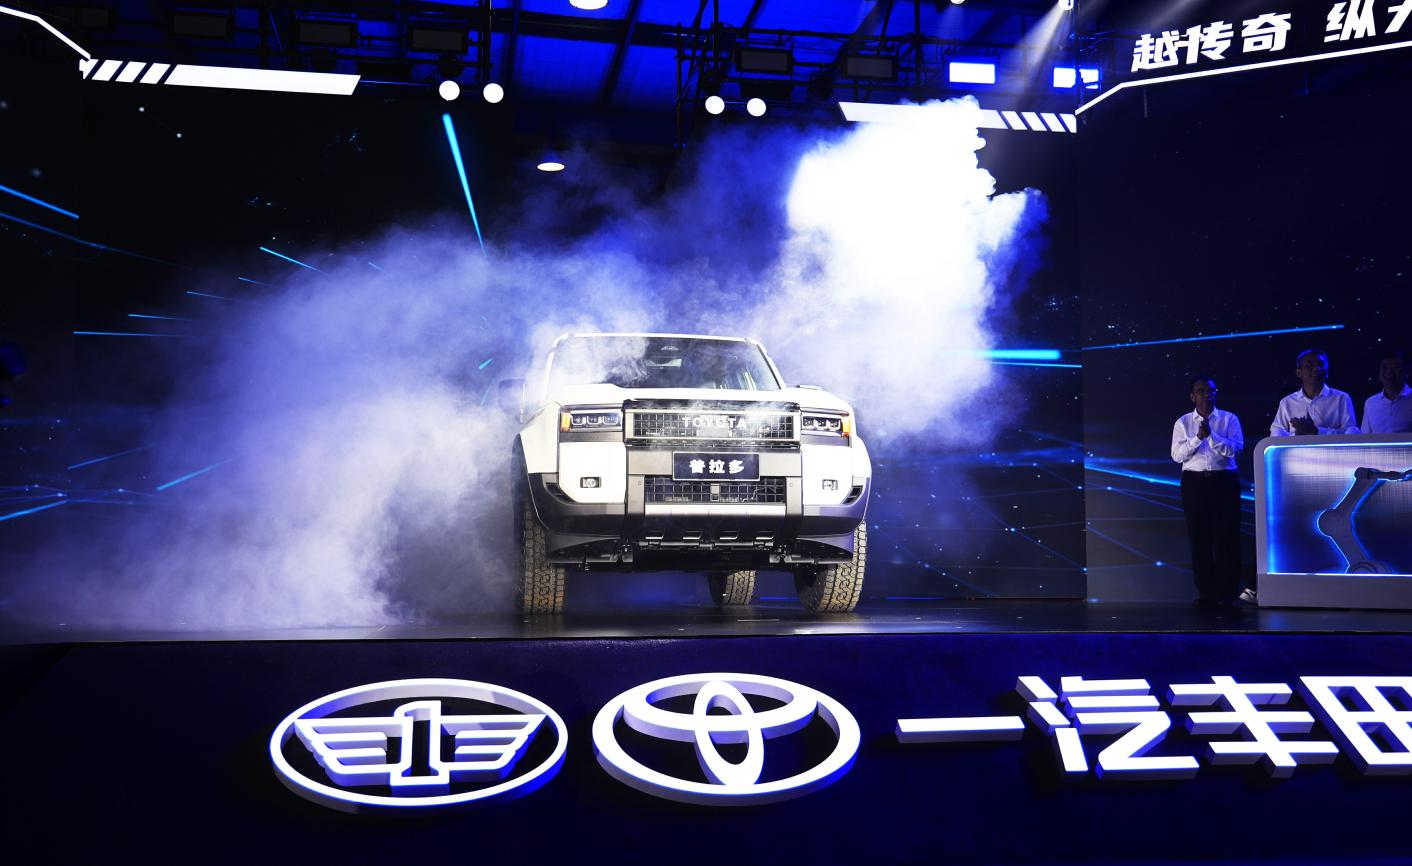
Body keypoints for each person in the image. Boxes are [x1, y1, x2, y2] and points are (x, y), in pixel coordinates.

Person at [1172, 377, 1244, 607]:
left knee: (1227, 538)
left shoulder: (1229, 419)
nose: (1206, 395)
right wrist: (1197, 438)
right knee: (1199, 539)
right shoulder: (1183, 422)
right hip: (1194, 483)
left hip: (1224, 482)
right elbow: (1177, 455)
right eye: (1201, 391)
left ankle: (1227, 594)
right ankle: (1206, 594)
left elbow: (1235, 450)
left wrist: (1211, 436)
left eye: (1210, 391)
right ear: (1192, 396)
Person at [1270, 349, 1359, 436]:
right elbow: (1276, 434)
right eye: (1309, 365)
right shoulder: (1287, 402)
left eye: (1321, 364)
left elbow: (1352, 433)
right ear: (1298, 372)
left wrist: (1317, 431)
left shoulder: (1341, 398)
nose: (1316, 369)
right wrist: (1297, 435)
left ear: (1327, 372)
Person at [1361, 350, 1412, 434]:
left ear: (1406, 371)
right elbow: (1365, 437)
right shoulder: (1370, 403)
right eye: (1385, 367)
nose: (1389, 372)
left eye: (1396, 367)